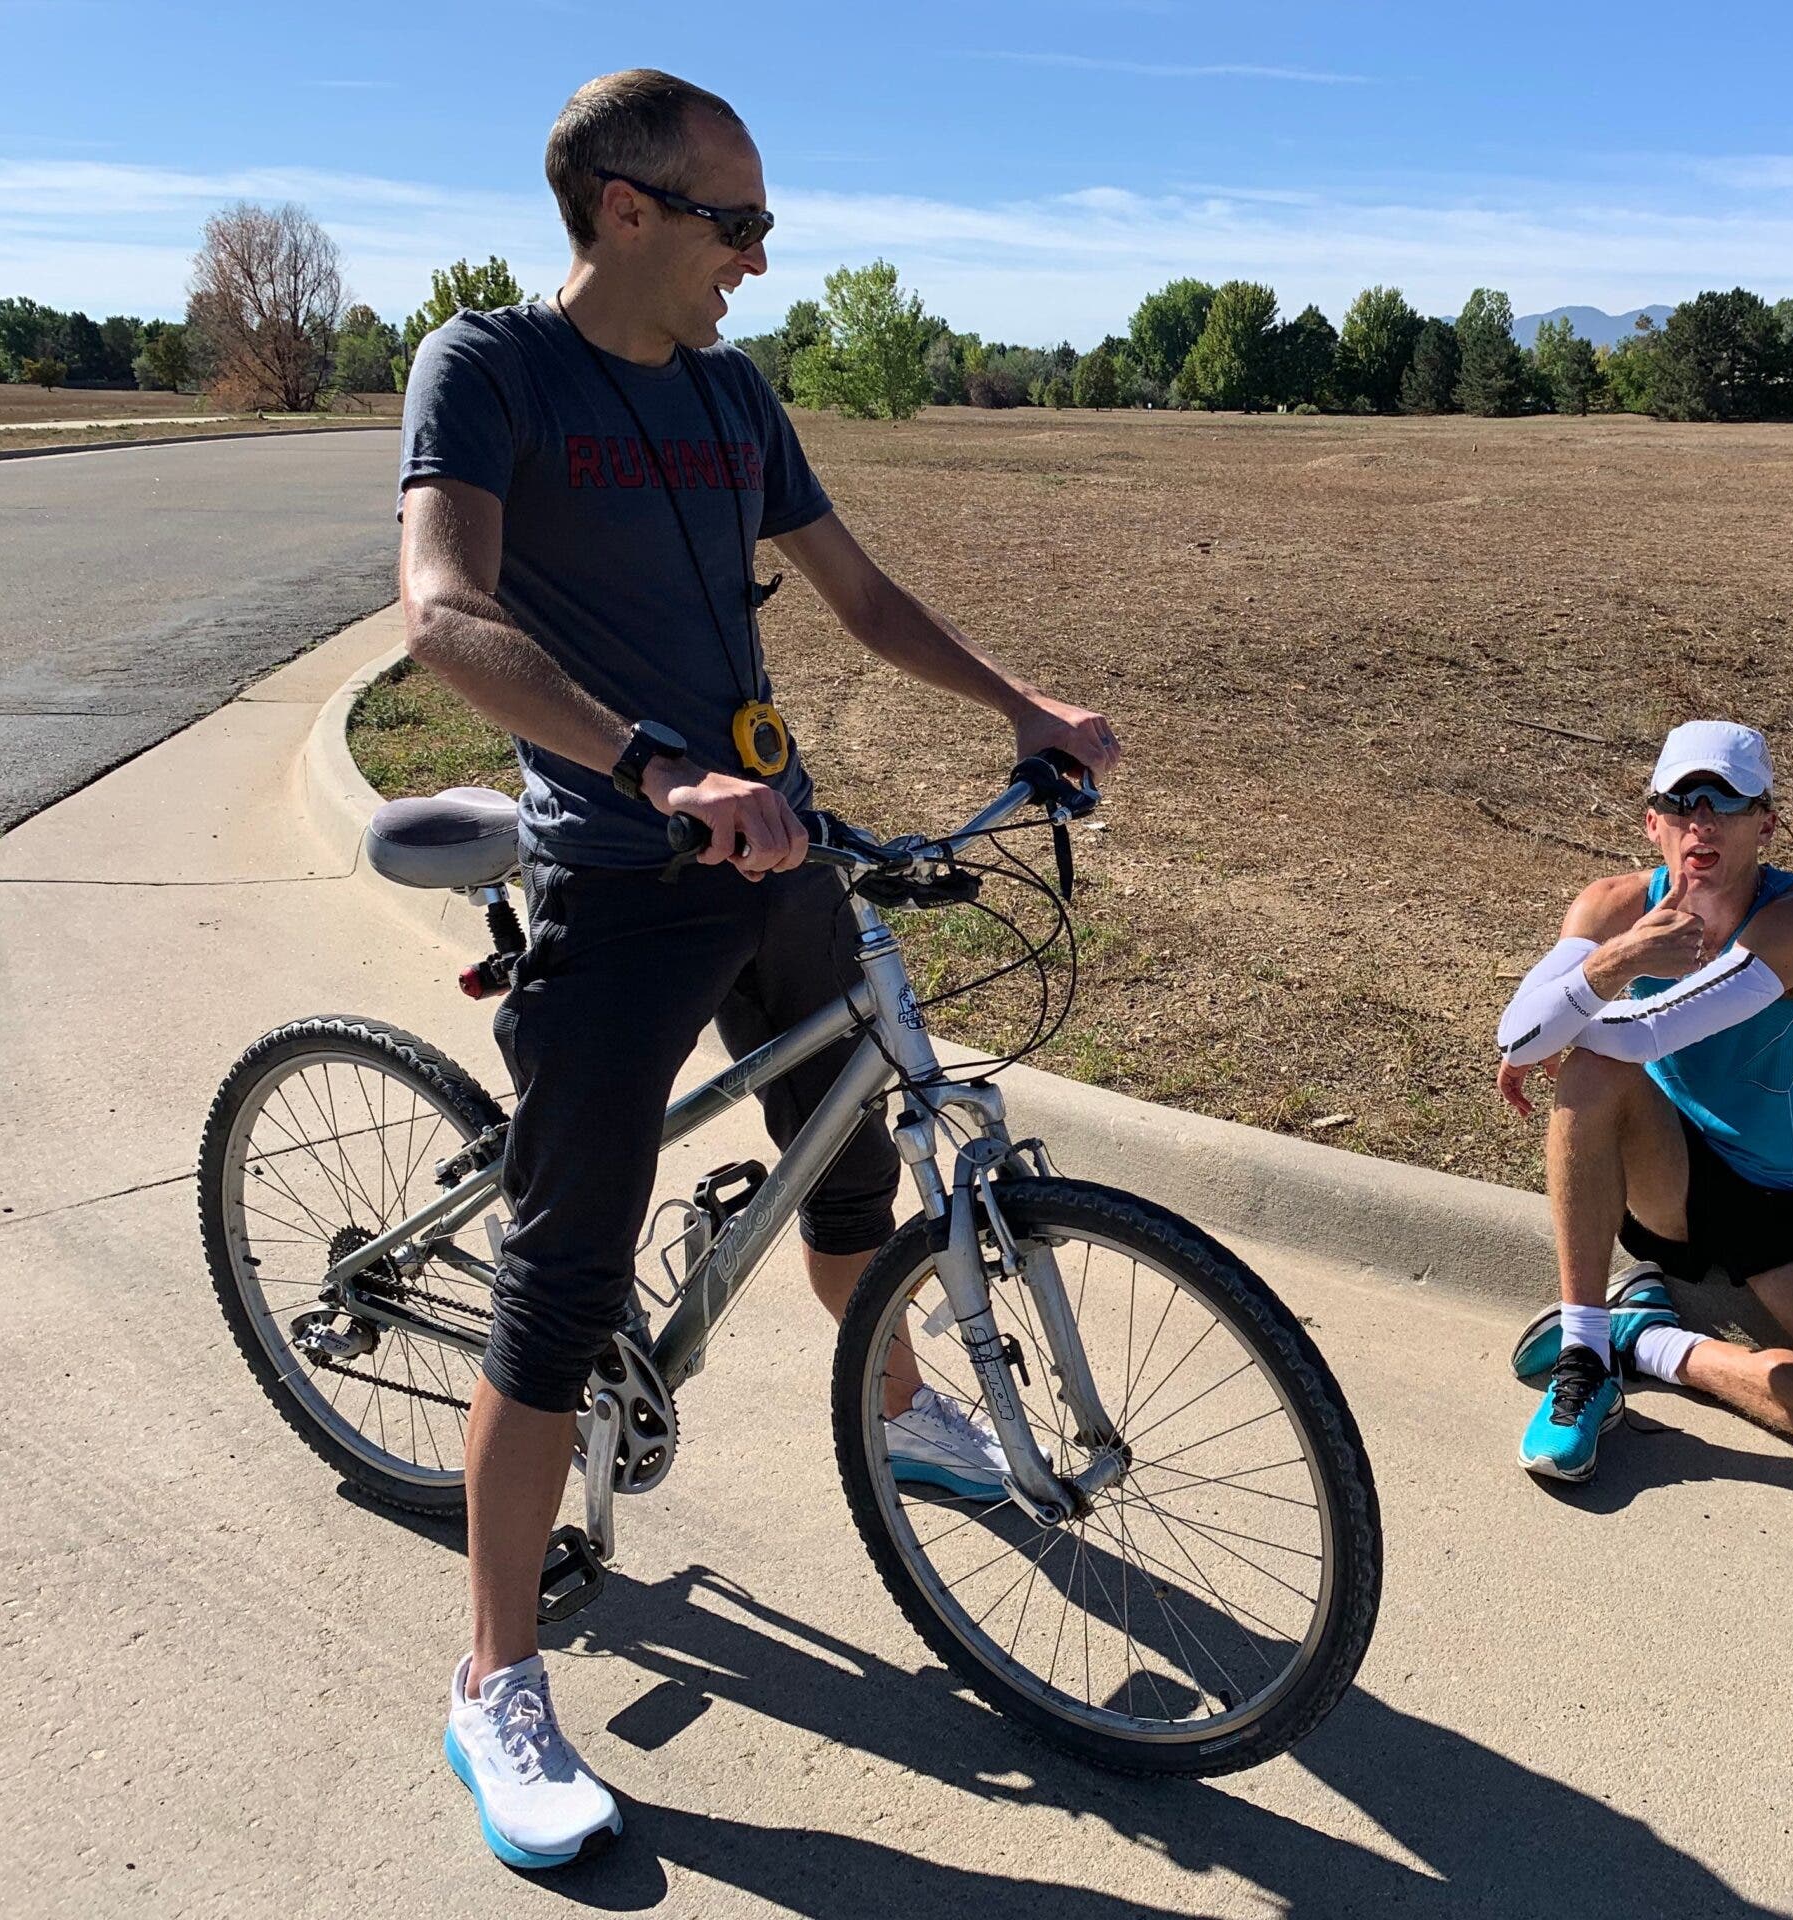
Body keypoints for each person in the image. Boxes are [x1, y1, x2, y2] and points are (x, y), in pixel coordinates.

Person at [396, 70, 1119, 1868]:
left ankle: (904, 1409)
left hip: (773, 847)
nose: (764, 260)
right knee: (559, 1289)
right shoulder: (488, 369)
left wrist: (1022, 703)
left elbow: (858, 598)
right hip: (620, 870)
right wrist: (649, 769)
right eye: (742, 224)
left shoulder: (730, 393)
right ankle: (495, 1679)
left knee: (855, 1175)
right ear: (625, 208)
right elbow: (443, 611)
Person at [1493, 720, 1793, 1485]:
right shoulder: (1612, 905)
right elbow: (1518, 1036)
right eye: (1681, 802)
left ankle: (1644, 1341)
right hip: (1669, 1175)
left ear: (1766, 824)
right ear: (1652, 822)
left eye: (1726, 803)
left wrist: (1570, 1009)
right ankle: (1585, 1355)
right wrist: (1616, 960)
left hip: (1792, 1201)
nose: (1702, 822)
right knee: (1592, 1071)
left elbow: (1645, 1029)